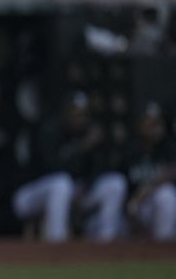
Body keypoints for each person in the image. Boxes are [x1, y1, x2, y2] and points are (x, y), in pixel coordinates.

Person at [12, 92, 127, 242]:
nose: (80, 119)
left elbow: (99, 170)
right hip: (30, 195)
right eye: (76, 113)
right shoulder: (50, 131)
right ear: (66, 113)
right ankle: (57, 244)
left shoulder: (90, 134)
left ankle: (105, 242)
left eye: (83, 114)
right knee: (61, 183)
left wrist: (86, 186)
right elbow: (51, 167)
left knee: (115, 183)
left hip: (74, 192)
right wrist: (83, 147)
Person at [125, 102, 176, 241]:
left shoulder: (169, 146)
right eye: (150, 123)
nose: (155, 129)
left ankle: (162, 247)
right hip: (133, 209)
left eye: (158, 124)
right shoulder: (131, 149)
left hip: (154, 204)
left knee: (166, 195)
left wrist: (147, 189)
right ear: (140, 125)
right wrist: (131, 205)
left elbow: (172, 172)